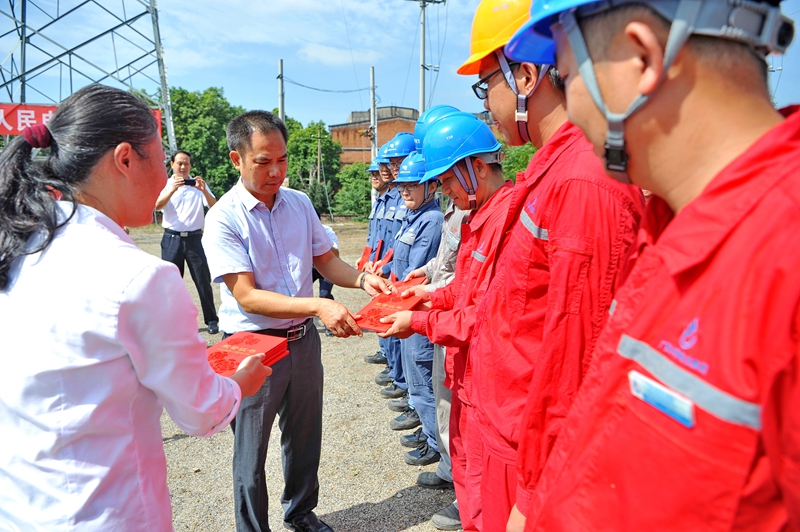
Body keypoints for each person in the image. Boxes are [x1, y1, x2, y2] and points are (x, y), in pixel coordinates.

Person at [504, 0, 798, 529]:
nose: (569, 111)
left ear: (642, 58)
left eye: (568, 78)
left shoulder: (781, 259)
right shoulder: (671, 227)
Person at [0, 84, 270, 531]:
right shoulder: (139, 276)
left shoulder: (21, 244)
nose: (166, 176)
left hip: (22, 507)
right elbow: (200, 411)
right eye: (162, 161)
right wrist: (240, 383)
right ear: (125, 159)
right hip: (103, 512)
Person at [449, 1, 646, 530]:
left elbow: (581, 363)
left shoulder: (583, 181)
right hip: (504, 429)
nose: (484, 103)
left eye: (485, 83)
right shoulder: (548, 168)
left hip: (528, 456)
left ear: (527, 75)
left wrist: (536, 496)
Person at [202, 110, 393, 532]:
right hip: (252, 346)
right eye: (263, 161)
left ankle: (301, 513)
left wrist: (363, 279)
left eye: (282, 160)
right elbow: (247, 295)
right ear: (237, 160)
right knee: (250, 450)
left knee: (305, 435)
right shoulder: (223, 218)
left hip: (302, 341)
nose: (275, 171)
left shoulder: (299, 203)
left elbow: (326, 261)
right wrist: (318, 306)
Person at [381, 112, 516, 532]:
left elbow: (488, 316)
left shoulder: (508, 221)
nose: (444, 190)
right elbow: (465, 289)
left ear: (476, 166)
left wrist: (419, 321)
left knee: (488, 494)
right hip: (469, 374)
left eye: (448, 179)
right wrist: (428, 296)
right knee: (467, 471)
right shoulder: (480, 214)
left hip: (489, 376)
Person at [385, 151, 444, 467]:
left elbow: (420, 268)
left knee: (424, 382)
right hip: (407, 305)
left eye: (412, 185)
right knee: (416, 380)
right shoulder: (415, 216)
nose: (404, 190)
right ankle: (429, 435)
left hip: (419, 310)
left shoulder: (432, 220)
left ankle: (436, 446)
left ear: (431, 187)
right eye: (401, 185)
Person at [155, 149, 220, 334]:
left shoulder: (198, 185)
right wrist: (173, 189)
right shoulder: (165, 184)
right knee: (170, 284)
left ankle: (211, 320)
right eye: (179, 163)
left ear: (190, 165)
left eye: (186, 163)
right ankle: (171, 324)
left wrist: (203, 190)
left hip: (195, 239)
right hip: (171, 238)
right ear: (172, 165)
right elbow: (157, 206)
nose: (183, 167)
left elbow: (214, 207)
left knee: (203, 281)